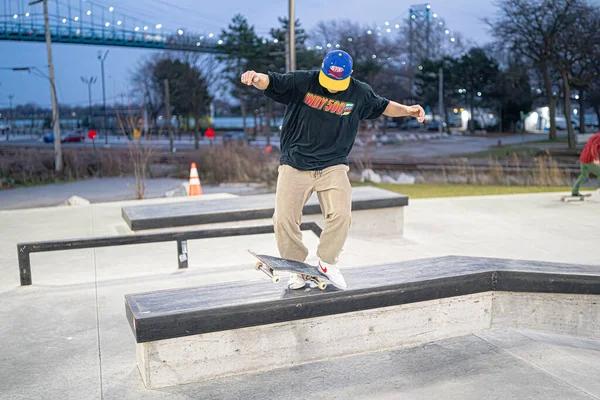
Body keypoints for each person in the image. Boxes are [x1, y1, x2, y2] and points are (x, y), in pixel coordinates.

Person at [241, 50, 425, 290]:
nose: (333, 88)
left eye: (338, 83)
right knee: (284, 218)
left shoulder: (359, 92)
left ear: (349, 76)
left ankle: (327, 262)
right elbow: (272, 81)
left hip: (333, 164)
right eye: (328, 82)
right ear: (322, 70)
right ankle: (296, 267)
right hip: (295, 163)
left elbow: (383, 105)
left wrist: (408, 110)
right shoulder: (303, 81)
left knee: (341, 215)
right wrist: (256, 78)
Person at [571, 131, 600, 197]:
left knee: (584, 175)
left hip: (582, 159)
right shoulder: (599, 137)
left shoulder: (594, 136)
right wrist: (596, 158)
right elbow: (594, 148)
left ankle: (575, 191)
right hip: (589, 160)